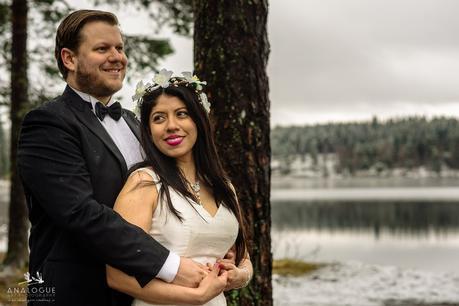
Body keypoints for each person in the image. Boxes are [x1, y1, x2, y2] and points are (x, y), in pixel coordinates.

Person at [17, 10, 219, 306]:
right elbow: (81, 214)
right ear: (69, 59)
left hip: (142, 294)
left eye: (120, 48)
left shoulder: (136, 124)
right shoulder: (47, 124)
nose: (117, 57)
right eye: (102, 49)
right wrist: (171, 265)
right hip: (76, 293)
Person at [105, 70, 253, 305]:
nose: (171, 126)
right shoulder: (144, 183)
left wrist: (239, 276)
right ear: (148, 130)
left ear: (199, 120)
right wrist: (195, 296)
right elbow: (117, 276)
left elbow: (242, 257)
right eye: (159, 118)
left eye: (181, 114)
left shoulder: (224, 187)